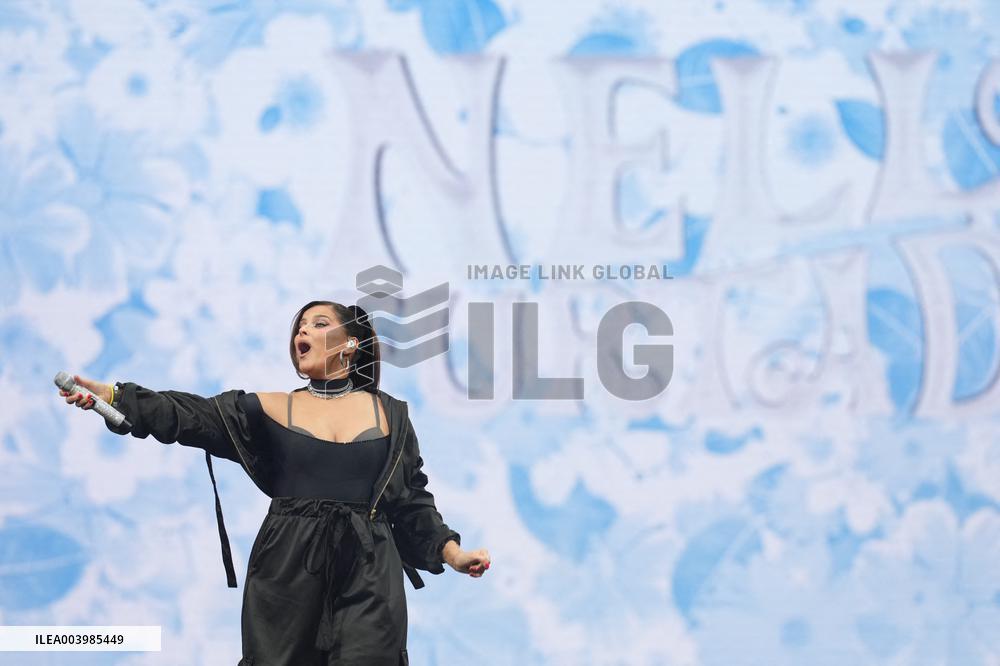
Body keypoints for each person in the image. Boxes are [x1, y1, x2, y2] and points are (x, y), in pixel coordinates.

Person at [59, 300, 490, 666]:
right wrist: (114, 396)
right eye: (299, 327)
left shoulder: (391, 415)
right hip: (287, 567)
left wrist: (453, 554)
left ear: (350, 345)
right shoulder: (267, 408)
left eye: (319, 324)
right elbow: (186, 414)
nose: (303, 331)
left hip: (370, 569)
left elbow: (412, 501)